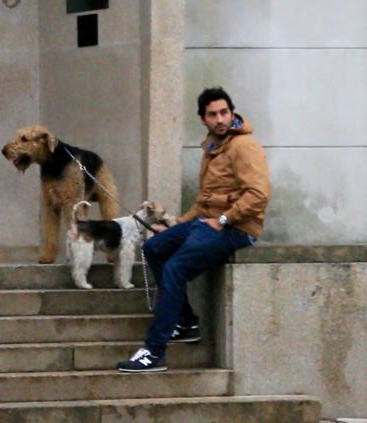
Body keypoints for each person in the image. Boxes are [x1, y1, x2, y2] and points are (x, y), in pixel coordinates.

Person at [116, 87, 271, 373]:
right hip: (208, 224)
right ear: (203, 119)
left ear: (232, 112)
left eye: (225, 112)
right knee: (155, 247)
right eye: (213, 114)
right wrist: (176, 225)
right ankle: (186, 322)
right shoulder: (212, 147)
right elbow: (204, 200)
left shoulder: (243, 146)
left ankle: (154, 352)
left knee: (176, 268)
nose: (220, 119)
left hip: (236, 228)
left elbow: (259, 194)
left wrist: (224, 219)